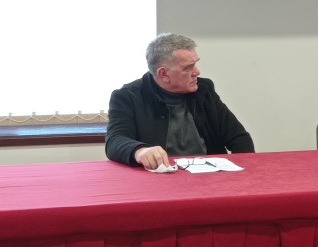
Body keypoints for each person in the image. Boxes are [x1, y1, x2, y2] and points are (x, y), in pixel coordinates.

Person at [106, 33, 254, 168]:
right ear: (163, 74)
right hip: (160, 177)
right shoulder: (128, 96)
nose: (197, 72)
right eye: (188, 67)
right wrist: (139, 151)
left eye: (195, 63)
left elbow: (239, 138)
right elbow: (115, 140)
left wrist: (244, 175)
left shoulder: (204, 90)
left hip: (209, 177)